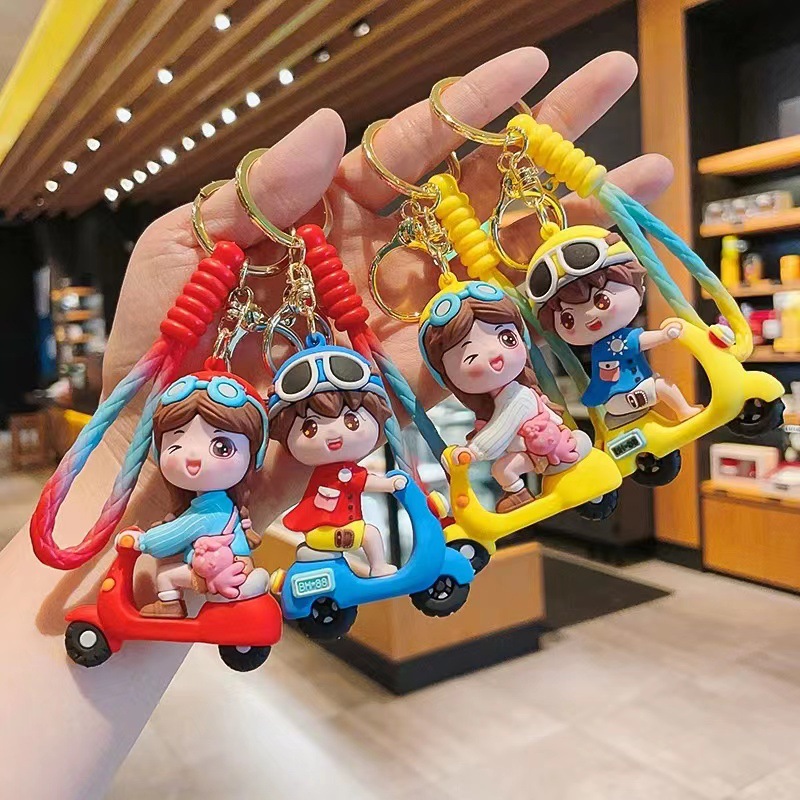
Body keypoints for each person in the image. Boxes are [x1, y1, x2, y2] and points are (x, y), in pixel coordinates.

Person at [0, 49, 674, 799]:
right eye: (181, 442)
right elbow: (182, 517)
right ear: (274, 435)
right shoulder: (226, 494)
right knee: (262, 557)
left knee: (488, 461)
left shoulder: (424, 411)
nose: (190, 458)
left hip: (396, 472)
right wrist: (137, 500)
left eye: (217, 443)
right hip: (293, 527)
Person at [419, 280, 591, 512]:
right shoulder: (503, 398)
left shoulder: (519, 396)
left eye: (507, 338)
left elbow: (501, 430)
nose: (494, 356)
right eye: (470, 356)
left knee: (501, 470)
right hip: (532, 450)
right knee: (502, 469)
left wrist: (473, 452)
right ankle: (520, 496)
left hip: (550, 447)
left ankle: (520, 495)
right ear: (445, 376)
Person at [122, 372, 271, 617]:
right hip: (223, 568)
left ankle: (170, 607)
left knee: (165, 575)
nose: (193, 457)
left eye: (221, 447)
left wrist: (142, 542)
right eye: (176, 444)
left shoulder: (208, 512)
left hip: (223, 573)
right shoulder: (215, 505)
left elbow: (171, 537)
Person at [533, 227, 701, 426]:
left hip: (615, 401)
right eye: (568, 319)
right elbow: (642, 341)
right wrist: (664, 335)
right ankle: (684, 411)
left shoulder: (600, 349)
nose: (590, 316)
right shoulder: (616, 342)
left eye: (602, 301)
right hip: (629, 394)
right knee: (662, 386)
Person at [268, 342, 405, 576]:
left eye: (351, 421)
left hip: (329, 530)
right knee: (370, 534)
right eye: (310, 428)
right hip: (328, 532)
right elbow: (365, 482)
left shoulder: (334, 472)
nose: (333, 433)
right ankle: (378, 566)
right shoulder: (341, 473)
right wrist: (390, 484)